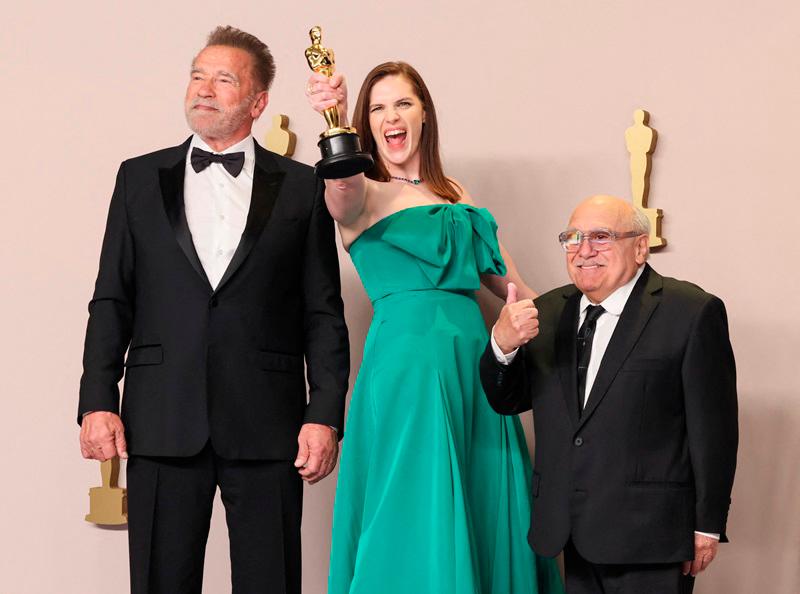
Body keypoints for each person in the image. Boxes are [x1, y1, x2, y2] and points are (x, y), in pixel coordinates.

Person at [77, 26, 349, 594]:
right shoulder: (137, 177)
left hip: (269, 423)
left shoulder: (304, 188)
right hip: (159, 420)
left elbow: (322, 312)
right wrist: (97, 400)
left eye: (224, 78)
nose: (204, 88)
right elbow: (112, 297)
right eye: (197, 75)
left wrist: (323, 413)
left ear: (258, 101)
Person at [306, 62, 563, 593]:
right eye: (377, 108)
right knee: (412, 503)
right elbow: (341, 187)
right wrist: (334, 120)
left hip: (477, 366)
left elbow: (511, 287)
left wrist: (591, 326)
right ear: (366, 123)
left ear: (425, 113)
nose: (391, 117)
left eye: (403, 103)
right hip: (409, 368)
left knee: (485, 500)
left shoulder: (457, 195)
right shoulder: (362, 194)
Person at [480, 195, 738, 593]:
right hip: (570, 528)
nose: (584, 250)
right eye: (573, 237)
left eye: (601, 237)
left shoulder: (690, 311)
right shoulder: (547, 311)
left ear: (639, 246)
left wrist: (707, 523)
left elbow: (714, 430)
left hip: (652, 536)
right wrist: (502, 345)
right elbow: (507, 401)